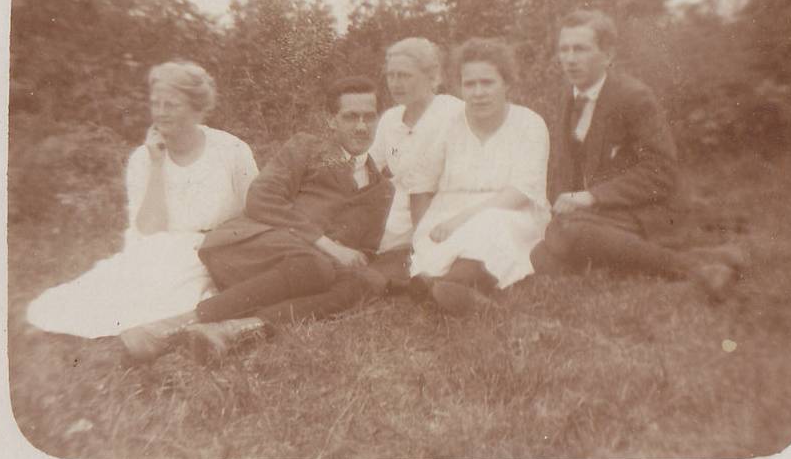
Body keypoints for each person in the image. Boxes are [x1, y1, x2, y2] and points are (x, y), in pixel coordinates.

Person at [118, 76, 394, 362]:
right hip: (248, 250)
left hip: (306, 273)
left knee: (368, 282)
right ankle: (170, 328)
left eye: (369, 117)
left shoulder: (383, 189)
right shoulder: (305, 148)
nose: (361, 126)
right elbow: (262, 198)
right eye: (350, 117)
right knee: (317, 266)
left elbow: (366, 249)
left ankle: (234, 330)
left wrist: (354, 261)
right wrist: (326, 244)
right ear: (331, 120)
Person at [25, 61, 259, 338]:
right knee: (108, 293)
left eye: (170, 105)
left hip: (216, 251)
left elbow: (256, 210)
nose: (160, 113)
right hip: (156, 249)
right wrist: (158, 164)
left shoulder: (230, 150)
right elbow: (148, 228)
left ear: (197, 108)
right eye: (155, 104)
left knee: (169, 297)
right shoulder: (143, 158)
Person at [529, 10, 741, 298]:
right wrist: (553, 204)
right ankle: (718, 256)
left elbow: (660, 172)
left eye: (580, 49)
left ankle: (696, 269)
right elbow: (568, 164)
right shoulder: (569, 96)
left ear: (608, 54)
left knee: (568, 236)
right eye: (564, 49)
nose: (570, 58)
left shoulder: (633, 97)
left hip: (649, 209)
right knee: (544, 255)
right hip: (605, 212)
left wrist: (591, 197)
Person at [406, 38, 550, 315]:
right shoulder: (447, 124)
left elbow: (520, 193)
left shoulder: (529, 123)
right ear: (460, 87)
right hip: (448, 213)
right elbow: (421, 185)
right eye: (469, 84)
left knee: (491, 226)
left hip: (511, 213)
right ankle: (446, 288)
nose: (478, 92)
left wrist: (460, 220)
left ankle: (451, 286)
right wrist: (419, 234)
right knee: (433, 246)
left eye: (487, 83)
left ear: (507, 84)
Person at [367, 38, 464, 289]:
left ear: (431, 76)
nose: (395, 83)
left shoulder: (453, 113)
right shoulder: (390, 119)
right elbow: (369, 167)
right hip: (397, 207)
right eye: (391, 76)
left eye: (405, 76)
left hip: (438, 208)